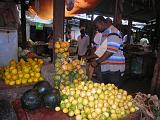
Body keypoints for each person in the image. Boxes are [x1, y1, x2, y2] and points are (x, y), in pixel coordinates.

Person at [87, 16, 125, 87]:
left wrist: (97, 62)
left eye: (97, 26)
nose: (97, 29)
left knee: (115, 93)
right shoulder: (105, 33)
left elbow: (109, 52)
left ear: (102, 23)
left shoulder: (113, 32)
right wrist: (88, 57)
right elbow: (101, 51)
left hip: (114, 69)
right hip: (106, 68)